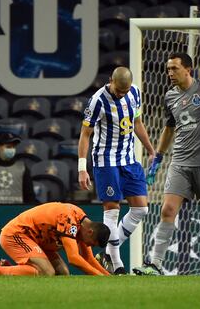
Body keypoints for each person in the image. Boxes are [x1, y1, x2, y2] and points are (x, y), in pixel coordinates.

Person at [133, 52, 200, 276]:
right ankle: (155, 264)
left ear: (188, 69)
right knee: (167, 209)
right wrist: (158, 157)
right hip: (179, 162)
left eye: (174, 68)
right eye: (167, 69)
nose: (170, 73)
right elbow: (169, 127)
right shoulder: (170, 96)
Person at [78, 66, 155, 275]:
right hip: (106, 160)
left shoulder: (135, 92)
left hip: (129, 159)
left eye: (125, 91)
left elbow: (137, 122)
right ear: (111, 80)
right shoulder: (97, 101)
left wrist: (150, 149)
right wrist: (82, 168)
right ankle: (118, 265)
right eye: (119, 91)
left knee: (141, 209)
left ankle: (108, 252)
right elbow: (85, 134)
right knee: (112, 209)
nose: (122, 94)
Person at [0, 202, 111, 276]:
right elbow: (74, 258)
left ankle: (13, 271)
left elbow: (89, 259)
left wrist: (107, 278)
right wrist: (98, 276)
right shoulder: (70, 220)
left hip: (37, 241)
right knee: (47, 272)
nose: (89, 246)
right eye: (92, 244)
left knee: (62, 273)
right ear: (90, 232)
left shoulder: (83, 226)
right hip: (17, 235)